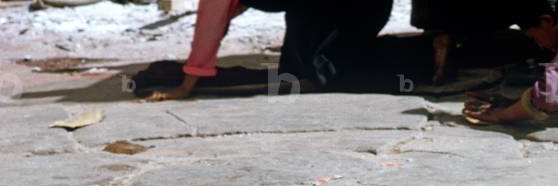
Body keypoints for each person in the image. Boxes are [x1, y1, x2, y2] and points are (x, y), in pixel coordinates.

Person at [146, 0, 393, 102]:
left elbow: (212, 21)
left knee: (320, 75)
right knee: (298, 75)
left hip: (357, 13)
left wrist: (187, 85)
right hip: (362, 13)